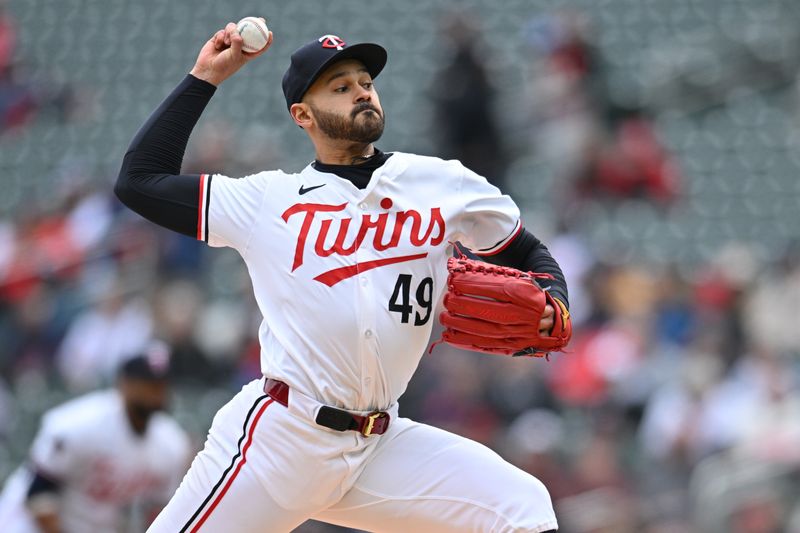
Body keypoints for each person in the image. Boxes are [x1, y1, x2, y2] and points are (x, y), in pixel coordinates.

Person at [114, 22, 570, 532]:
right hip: (281, 443)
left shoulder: (442, 183)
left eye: (365, 82)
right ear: (302, 115)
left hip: (379, 444)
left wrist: (555, 295)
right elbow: (139, 180)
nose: (361, 91)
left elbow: (526, 249)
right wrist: (205, 78)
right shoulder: (267, 201)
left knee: (523, 506)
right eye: (340, 86)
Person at [0, 342, 192, 533]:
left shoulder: (172, 443)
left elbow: (157, 511)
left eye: (161, 385)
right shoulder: (78, 424)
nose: (155, 393)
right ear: (124, 384)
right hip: (25, 523)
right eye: (147, 384)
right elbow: (39, 498)